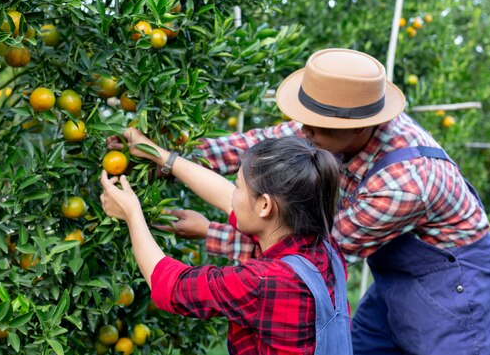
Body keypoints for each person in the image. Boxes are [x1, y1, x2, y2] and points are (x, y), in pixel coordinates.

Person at [160, 48, 490, 355]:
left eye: (314, 128)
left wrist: (209, 231)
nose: (302, 132)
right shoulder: (326, 123)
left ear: (358, 127)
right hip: (394, 278)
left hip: (450, 287)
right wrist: (171, 157)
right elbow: (258, 145)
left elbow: (313, 254)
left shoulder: (404, 183)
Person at [100, 134, 353, 354]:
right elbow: (223, 195)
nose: (232, 194)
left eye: (238, 186)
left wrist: (132, 213)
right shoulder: (324, 248)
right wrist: (158, 154)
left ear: (265, 205)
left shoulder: (263, 282)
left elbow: (171, 286)